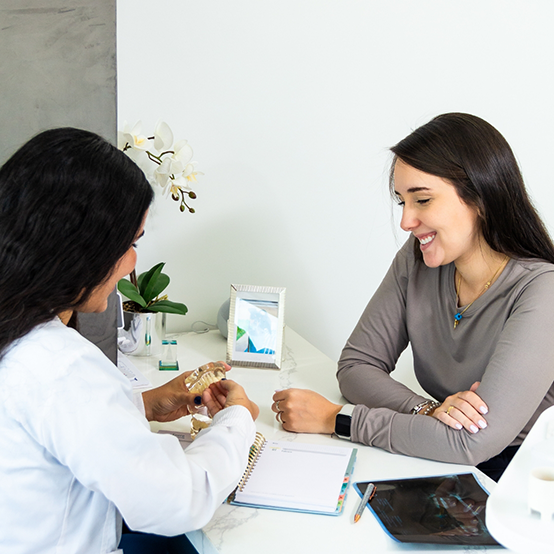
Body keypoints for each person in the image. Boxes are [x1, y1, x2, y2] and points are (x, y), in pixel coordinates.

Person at [0, 128, 259, 553]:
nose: (133, 263)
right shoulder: (56, 364)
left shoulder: (18, 336)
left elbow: (47, 427)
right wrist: (238, 421)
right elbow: (178, 500)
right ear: (82, 248)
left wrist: (141, 405)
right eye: (131, 243)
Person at [272, 113, 554, 481]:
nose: (406, 221)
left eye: (422, 200)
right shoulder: (417, 258)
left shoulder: (542, 290)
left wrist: (336, 419)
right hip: (434, 456)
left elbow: (474, 443)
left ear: (481, 199)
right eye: (401, 201)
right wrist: (425, 411)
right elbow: (357, 365)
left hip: (521, 486)